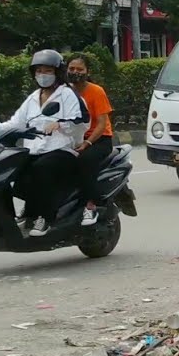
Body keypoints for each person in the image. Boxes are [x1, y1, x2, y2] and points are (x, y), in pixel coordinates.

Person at [3, 50, 85, 237]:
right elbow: (16, 121)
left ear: (57, 73)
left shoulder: (66, 94)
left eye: (47, 71)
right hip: (35, 149)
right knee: (12, 169)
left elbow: (78, 121)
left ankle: (46, 218)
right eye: (39, 71)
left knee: (42, 169)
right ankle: (29, 211)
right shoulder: (33, 97)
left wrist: (59, 124)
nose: (42, 75)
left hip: (61, 149)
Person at [68, 54, 114, 227]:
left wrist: (87, 143)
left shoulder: (96, 91)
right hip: (74, 138)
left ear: (88, 71)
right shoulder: (65, 91)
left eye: (79, 69)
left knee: (85, 161)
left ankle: (91, 205)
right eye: (71, 69)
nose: (75, 72)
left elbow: (102, 124)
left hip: (99, 139)